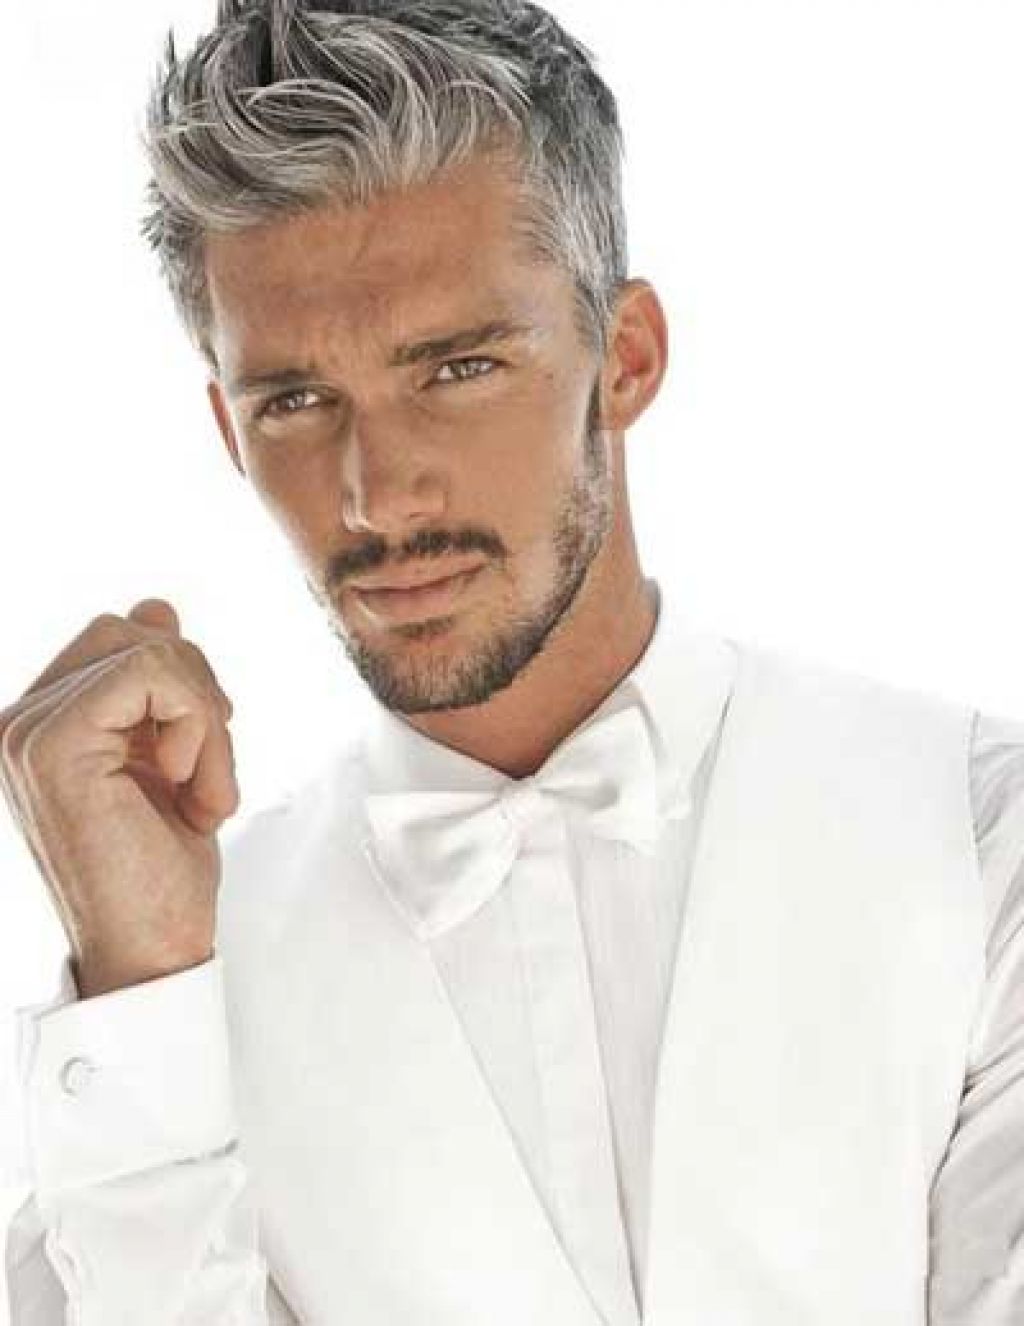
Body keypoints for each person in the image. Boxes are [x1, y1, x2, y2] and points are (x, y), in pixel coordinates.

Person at [2, 0, 1022, 1321]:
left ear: (626, 357)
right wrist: (145, 992)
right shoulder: (160, 1017)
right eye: (295, 401)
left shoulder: (975, 833)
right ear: (226, 427)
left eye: (458, 368)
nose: (377, 495)